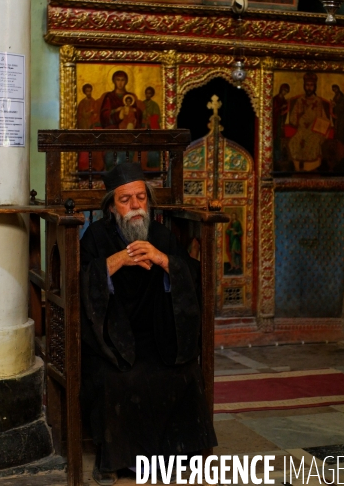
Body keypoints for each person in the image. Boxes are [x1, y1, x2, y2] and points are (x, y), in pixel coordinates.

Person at [80, 162, 217, 484]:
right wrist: (113, 263)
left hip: (158, 335)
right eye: (125, 199)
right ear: (112, 205)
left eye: (140, 197)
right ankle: (121, 461)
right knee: (119, 381)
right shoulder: (96, 237)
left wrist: (163, 260)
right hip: (111, 341)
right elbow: (80, 283)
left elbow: (191, 277)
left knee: (182, 372)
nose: (135, 206)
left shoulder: (159, 235)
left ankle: (177, 455)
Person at [288, 73, 331, 172]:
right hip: (302, 129)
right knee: (293, 142)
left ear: (315, 87)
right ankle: (299, 167)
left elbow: (324, 118)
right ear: (304, 86)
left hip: (313, 131)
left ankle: (311, 167)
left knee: (314, 142)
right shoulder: (300, 101)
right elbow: (292, 118)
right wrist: (299, 118)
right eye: (307, 85)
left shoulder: (318, 102)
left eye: (311, 85)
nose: (309, 88)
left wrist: (321, 126)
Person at [272, 83, 290, 167]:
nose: (285, 92)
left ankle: (278, 157)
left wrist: (284, 111)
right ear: (281, 89)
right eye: (284, 90)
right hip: (275, 120)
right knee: (275, 137)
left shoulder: (284, 100)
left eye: (286, 91)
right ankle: (274, 157)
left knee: (279, 137)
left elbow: (284, 112)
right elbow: (273, 110)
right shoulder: (275, 99)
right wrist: (281, 108)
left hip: (280, 121)